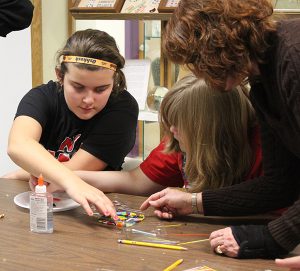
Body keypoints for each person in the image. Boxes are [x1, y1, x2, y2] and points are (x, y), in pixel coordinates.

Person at [140, 0, 300, 260]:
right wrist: (193, 202)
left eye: (196, 61)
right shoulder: (262, 80)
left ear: (216, 43)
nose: (200, 75)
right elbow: (280, 185)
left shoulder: (292, 57)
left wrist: (271, 239)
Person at [4, 29, 139, 218]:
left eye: (101, 89)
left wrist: (22, 173)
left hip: (93, 211)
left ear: (114, 81)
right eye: (78, 87)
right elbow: (18, 145)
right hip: (40, 204)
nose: (88, 100)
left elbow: (76, 169)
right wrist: (65, 180)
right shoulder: (41, 97)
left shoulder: (122, 109)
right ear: (60, 76)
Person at [76, 75, 262, 202]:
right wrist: (68, 178)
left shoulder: (264, 150)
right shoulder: (178, 143)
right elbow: (135, 181)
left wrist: (192, 203)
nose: (172, 130)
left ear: (209, 129)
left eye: (180, 124)